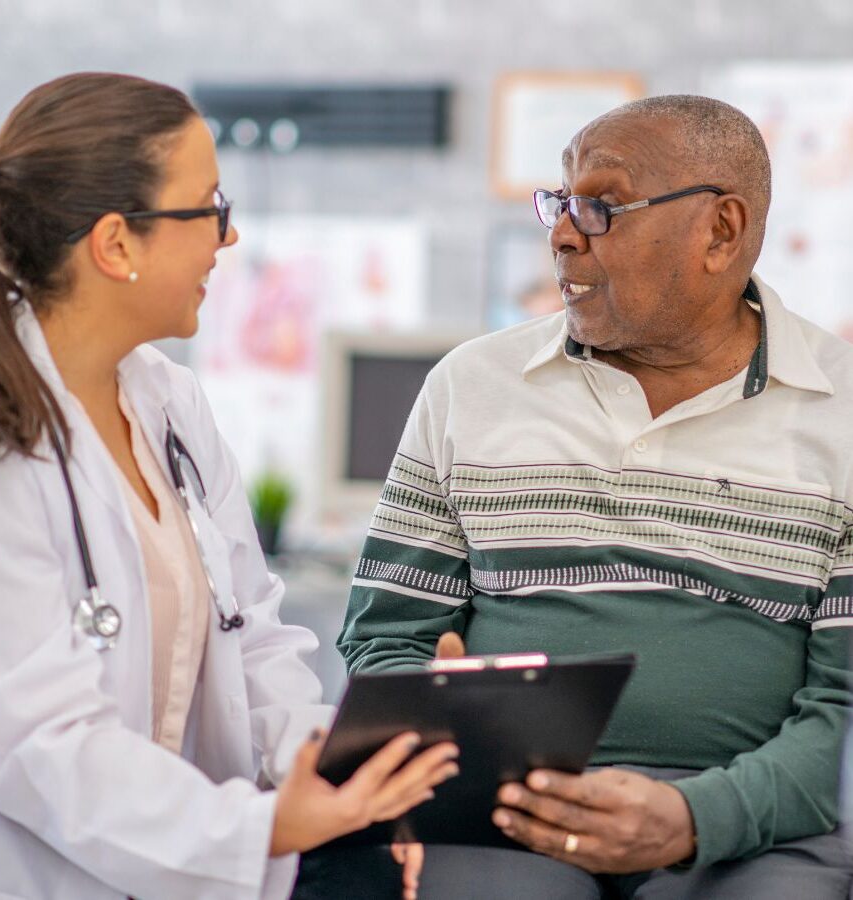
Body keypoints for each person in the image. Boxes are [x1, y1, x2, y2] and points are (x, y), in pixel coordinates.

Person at [328, 95, 853, 898]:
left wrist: (695, 815)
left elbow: (841, 711)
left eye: (600, 205)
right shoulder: (472, 387)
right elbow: (387, 641)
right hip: (507, 810)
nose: (563, 233)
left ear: (720, 231)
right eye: (560, 202)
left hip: (749, 826)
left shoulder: (839, 410)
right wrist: (447, 732)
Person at [0, 72, 459, 900]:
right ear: (117, 244)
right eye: (210, 208)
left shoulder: (169, 402)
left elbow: (254, 634)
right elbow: (35, 742)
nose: (229, 239)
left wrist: (335, 776)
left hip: (186, 863)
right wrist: (258, 832)